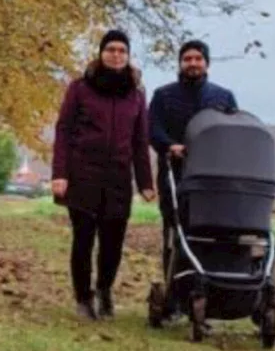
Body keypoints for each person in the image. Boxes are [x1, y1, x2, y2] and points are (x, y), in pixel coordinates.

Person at [51, 29, 156, 321]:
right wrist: (60, 174)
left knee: (113, 242)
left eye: (122, 50)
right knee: (83, 240)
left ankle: (105, 290)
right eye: (111, 49)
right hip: (83, 174)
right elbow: (64, 131)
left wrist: (146, 182)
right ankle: (83, 298)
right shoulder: (80, 88)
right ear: (101, 53)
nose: (116, 55)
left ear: (128, 56)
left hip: (118, 180)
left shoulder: (136, 96)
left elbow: (139, 141)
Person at [148, 39, 239, 280]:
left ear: (206, 64)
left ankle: (209, 285)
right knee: (175, 233)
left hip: (213, 181)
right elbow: (153, 130)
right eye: (187, 59)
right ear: (180, 63)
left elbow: (234, 132)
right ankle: (173, 291)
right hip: (175, 176)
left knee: (210, 234)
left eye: (198, 59)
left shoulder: (224, 98)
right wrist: (170, 146)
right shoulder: (163, 96)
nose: (193, 63)